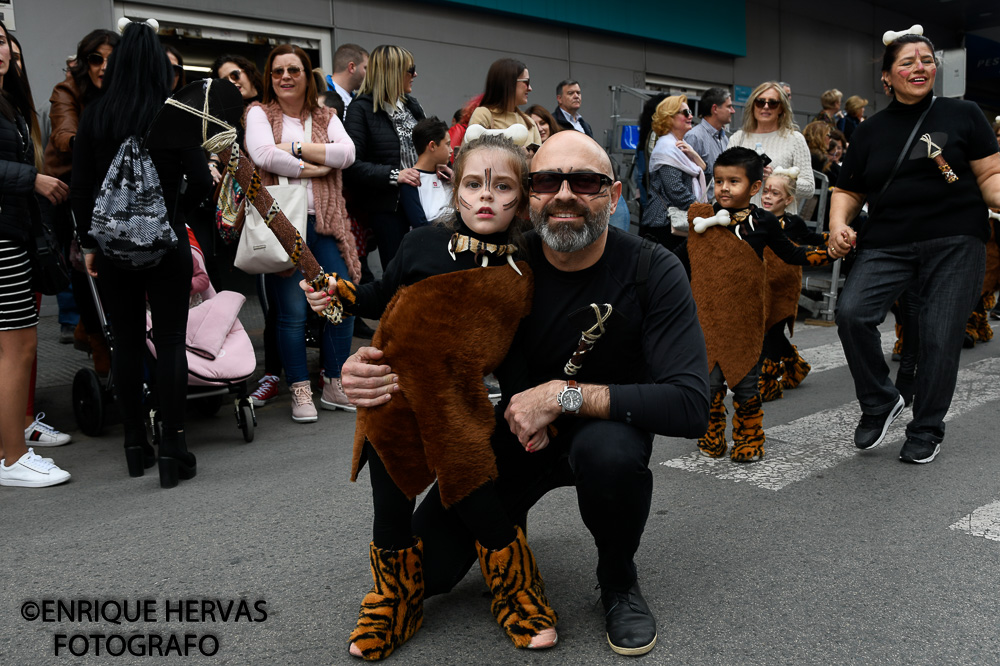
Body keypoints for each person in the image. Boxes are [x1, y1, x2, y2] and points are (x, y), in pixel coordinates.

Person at [339, 130, 712, 657]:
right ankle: (507, 535)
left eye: (584, 181)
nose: (564, 194)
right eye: (546, 181)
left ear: (615, 195)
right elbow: (418, 332)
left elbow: (691, 404)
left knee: (610, 455)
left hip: (599, 430)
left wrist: (567, 397)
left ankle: (618, 580)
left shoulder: (653, 269)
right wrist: (364, 366)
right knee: (429, 574)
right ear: (528, 196)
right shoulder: (496, 258)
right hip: (513, 436)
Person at [307, 133, 557, 659]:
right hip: (391, 396)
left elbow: (516, 357)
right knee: (390, 509)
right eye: (473, 183)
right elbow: (378, 297)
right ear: (454, 188)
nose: (486, 196)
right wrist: (335, 292)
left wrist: (528, 410)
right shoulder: (421, 242)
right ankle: (394, 603)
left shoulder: (526, 270)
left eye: (502, 185)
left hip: (458, 410)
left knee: (478, 500)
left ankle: (517, 591)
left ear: (522, 198)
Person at [827, 28, 1000, 464]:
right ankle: (880, 401)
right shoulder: (870, 131)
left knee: (940, 337)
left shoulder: (965, 115)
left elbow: (990, 176)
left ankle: (926, 428)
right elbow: (847, 189)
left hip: (957, 240)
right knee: (851, 313)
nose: (919, 67)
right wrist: (836, 225)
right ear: (887, 77)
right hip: (888, 241)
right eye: (907, 62)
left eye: (926, 60)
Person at [70, 18, 213, 487]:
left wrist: (91, 243)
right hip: (166, 241)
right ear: (158, 66)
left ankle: (135, 445)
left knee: (126, 342)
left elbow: (82, 188)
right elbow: (202, 183)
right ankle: (174, 447)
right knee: (170, 340)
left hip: (113, 251)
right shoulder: (176, 112)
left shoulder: (96, 114)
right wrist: (176, 214)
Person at [682, 148, 831, 462]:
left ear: (753, 188)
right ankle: (711, 436)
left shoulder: (762, 221)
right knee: (708, 386)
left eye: (733, 181)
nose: (724, 187)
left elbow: (792, 253)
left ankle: (749, 440)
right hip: (707, 319)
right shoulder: (703, 217)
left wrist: (828, 252)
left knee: (748, 387)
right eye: (719, 180)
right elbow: (684, 258)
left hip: (746, 320)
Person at [245, 43, 360, 423]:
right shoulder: (259, 112)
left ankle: (334, 382)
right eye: (277, 72)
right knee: (292, 312)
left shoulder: (327, 114)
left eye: (293, 70)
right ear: (270, 79)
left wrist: (292, 147)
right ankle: (298, 389)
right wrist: (312, 166)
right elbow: (262, 155)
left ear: (306, 75)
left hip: (325, 225)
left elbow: (347, 154)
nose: (285, 78)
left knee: (339, 302)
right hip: (282, 226)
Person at [0, 19, 73, 488]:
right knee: (18, 347)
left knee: (12, 349)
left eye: (1, 40)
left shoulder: (8, 101)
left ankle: (11, 446)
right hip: (3, 238)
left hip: (15, 233)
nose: (0, 50)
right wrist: (34, 179)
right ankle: (12, 459)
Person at [43, 28, 119, 378]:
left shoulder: (123, 93)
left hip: (115, 186)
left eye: (110, 58)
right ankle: (95, 336)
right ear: (84, 63)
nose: (103, 66)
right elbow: (63, 135)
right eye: (95, 59)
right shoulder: (67, 90)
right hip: (71, 186)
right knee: (85, 265)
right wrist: (94, 147)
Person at [343, 44, 425, 271]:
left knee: (425, 265)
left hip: (421, 199)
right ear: (393, 72)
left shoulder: (410, 105)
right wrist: (395, 175)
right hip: (390, 207)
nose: (415, 75)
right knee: (399, 271)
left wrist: (439, 165)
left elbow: (427, 146)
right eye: (411, 69)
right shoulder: (360, 109)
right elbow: (351, 166)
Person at [756, 167, 827, 401]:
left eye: (775, 193)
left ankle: (768, 382)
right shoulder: (755, 218)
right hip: (762, 282)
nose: (767, 196)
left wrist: (834, 238)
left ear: (788, 200)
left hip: (785, 284)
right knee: (766, 330)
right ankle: (796, 364)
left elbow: (812, 240)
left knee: (774, 329)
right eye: (766, 191)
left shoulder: (793, 223)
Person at [728, 82, 814, 213]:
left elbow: (809, 188)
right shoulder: (738, 138)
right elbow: (724, 179)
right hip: (741, 220)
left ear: (781, 108)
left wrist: (775, 178)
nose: (766, 107)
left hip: (779, 223)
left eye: (773, 103)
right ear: (753, 106)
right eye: (760, 102)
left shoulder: (795, 139)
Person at [640, 95, 707, 252]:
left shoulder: (681, 147)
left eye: (690, 112)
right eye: (685, 113)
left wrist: (696, 157)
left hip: (675, 222)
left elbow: (704, 172)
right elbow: (675, 189)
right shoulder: (666, 148)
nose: (691, 116)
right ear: (669, 118)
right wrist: (700, 210)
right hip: (664, 224)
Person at [466, 58, 542, 150]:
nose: (530, 88)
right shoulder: (483, 114)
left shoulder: (529, 122)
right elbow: (471, 153)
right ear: (509, 83)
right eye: (526, 82)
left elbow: (540, 161)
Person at [398, 117, 452, 228]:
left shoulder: (448, 174)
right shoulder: (411, 181)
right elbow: (420, 225)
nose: (451, 150)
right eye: (448, 144)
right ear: (432, 146)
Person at [684, 87, 733, 186]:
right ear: (714, 109)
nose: (732, 111)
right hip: (702, 200)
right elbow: (686, 179)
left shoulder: (724, 138)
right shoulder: (694, 137)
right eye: (729, 107)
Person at [326, 43, 368, 113]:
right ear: (351, 67)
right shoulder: (321, 92)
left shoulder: (357, 100)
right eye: (365, 68)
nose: (369, 74)